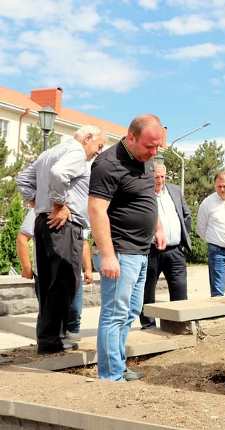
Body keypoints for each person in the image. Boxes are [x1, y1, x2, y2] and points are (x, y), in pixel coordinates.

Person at [88, 114, 166, 381]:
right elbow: (97, 210)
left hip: (141, 251)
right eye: (149, 146)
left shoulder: (145, 159)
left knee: (130, 312)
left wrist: (157, 228)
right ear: (131, 137)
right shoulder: (107, 164)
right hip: (120, 252)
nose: (154, 152)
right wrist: (107, 255)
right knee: (114, 313)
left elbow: (147, 198)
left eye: (158, 147)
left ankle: (118, 366)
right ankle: (110, 376)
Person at [16, 125, 105, 354]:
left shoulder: (49, 153)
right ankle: (53, 340)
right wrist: (59, 204)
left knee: (47, 283)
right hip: (62, 225)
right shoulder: (75, 152)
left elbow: (23, 179)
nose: (98, 152)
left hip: (43, 223)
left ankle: (47, 340)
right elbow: (59, 174)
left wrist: (38, 203)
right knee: (63, 282)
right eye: (98, 146)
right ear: (87, 138)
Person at [16, 208, 93, 341]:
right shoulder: (38, 209)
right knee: (49, 314)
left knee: (74, 311)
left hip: (73, 273)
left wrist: (88, 269)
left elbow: (84, 242)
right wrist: (26, 267)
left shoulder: (78, 211)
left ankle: (70, 345)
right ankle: (48, 346)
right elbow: (22, 238)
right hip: (47, 274)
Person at [140, 163, 192, 330]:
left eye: (163, 177)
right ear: (150, 176)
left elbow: (186, 215)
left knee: (180, 290)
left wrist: (182, 240)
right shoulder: (143, 192)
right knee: (147, 290)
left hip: (175, 251)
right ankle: (148, 325)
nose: (160, 180)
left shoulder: (175, 190)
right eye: (156, 177)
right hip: (151, 251)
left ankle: (179, 324)